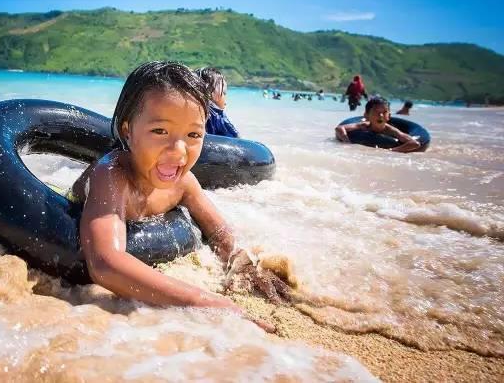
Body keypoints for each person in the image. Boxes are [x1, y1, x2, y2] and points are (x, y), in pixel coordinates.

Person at [72, 61, 291, 330]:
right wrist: (207, 302)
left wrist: (242, 265)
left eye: (193, 134)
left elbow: (220, 232)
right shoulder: (111, 176)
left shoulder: (184, 183)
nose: (178, 151)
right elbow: (105, 263)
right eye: (160, 131)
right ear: (128, 130)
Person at [334, 96, 421, 152]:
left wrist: (392, 150)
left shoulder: (392, 131)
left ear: (389, 116)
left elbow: (415, 143)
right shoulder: (363, 125)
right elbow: (339, 128)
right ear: (366, 115)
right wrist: (347, 142)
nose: (380, 115)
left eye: (384, 112)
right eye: (376, 112)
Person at [195, 67, 239, 138]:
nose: (225, 101)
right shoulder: (211, 114)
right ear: (209, 91)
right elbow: (236, 137)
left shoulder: (217, 114)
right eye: (224, 93)